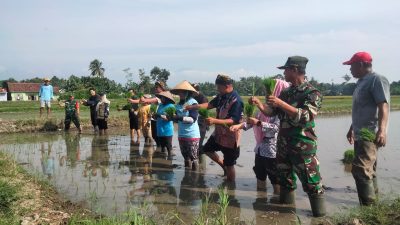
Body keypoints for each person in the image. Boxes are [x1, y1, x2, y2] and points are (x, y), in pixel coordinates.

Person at [250, 56, 325, 217]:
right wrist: (259, 104)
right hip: (283, 144)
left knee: (312, 181)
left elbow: (305, 116)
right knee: (285, 180)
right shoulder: (286, 92)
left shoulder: (312, 92)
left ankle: (320, 217)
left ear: (296, 70)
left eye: (286, 69)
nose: (284, 73)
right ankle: (286, 215)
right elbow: (271, 113)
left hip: (302, 145)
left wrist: (280, 103)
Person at [343, 52, 390, 206]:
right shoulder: (361, 82)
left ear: (361, 64)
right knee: (369, 170)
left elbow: (383, 105)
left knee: (360, 170)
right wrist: (351, 128)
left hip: (370, 133)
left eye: (352, 65)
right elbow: (360, 108)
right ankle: (374, 205)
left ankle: (368, 208)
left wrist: (382, 130)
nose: (350, 69)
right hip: (359, 132)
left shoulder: (377, 79)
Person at [230, 79, 289, 195]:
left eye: (271, 91)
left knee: (275, 180)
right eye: (267, 92)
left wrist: (258, 123)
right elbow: (252, 122)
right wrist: (239, 126)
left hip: (273, 152)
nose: (268, 95)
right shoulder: (265, 109)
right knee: (260, 176)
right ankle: (260, 202)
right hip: (260, 150)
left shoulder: (283, 110)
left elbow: (277, 128)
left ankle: (277, 205)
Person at [186, 74, 244, 182]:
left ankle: (231, 187)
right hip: (219, 133)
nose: (217, 89)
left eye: (219, 87)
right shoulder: (221, 96)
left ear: (227, 86)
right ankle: (224, 166)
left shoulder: (236, 100)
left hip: (231, 136)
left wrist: (214, 121)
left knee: (230, 163)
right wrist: (193, 107)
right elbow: (209, 105)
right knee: (206, 149)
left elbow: (234, 120)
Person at [171, 80, 201, 170]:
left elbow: (193, 119)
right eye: (180, 92)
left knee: (194, 157)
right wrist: (170, 117)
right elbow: (176, 119)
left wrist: (178, 117)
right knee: (186, 158)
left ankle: (195, 178)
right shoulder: (178, 105)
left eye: (183, 92)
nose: (181, 94)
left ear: (188, 92)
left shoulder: (193, 103)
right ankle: (187, 177)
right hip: (181, 134)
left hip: (192, 135)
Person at [140, 81, 167, 147]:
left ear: (161, 88)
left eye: (157, 87)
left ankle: (163, 149)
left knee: (162, 136)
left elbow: (145, 100)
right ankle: (159, 148)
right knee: (155, 136)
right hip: (154, 119)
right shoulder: (156, 96)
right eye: (155, 87)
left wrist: (141, 94)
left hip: (161, 118)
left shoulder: (163, 96)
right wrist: (150, 113)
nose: (155, 88)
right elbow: (152, 106)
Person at [154, 91, 175, 157]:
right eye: (161, 98)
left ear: (167, 98)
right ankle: (163, 161)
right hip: (160, 129)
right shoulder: (160, 105)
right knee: (162, 147)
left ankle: (169, 161)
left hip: (167, 130)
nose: (161, 99)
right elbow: (157, 116)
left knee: (169, 147)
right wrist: (154, 116)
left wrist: (160, 115)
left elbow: (170, 118)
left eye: (162, 98)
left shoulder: (171, 106)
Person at [191, 83, 209, 152]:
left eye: (192, 91)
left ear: (196, 90)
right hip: (195, 122)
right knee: (194, 142)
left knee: (199, 142)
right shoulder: (192, 97)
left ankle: (201, 159)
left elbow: (203, 111)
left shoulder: (203, 98)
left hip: (201, 122)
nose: (191, 92)